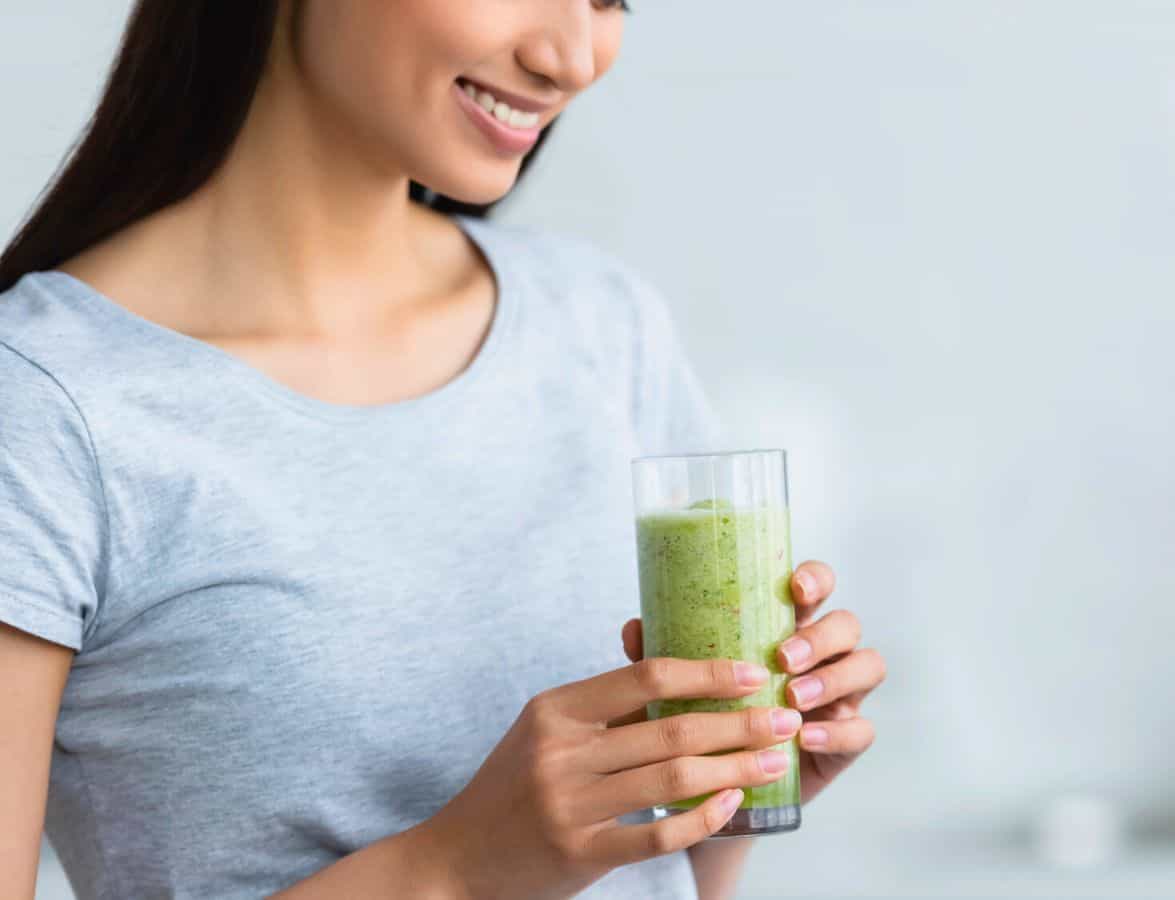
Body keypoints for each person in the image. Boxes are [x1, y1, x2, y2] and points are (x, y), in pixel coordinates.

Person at [0, 2, 885, 898]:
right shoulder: (42, 403)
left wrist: (729, 788)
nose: (571, 56)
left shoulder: (599, 323)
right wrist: (457, 868)